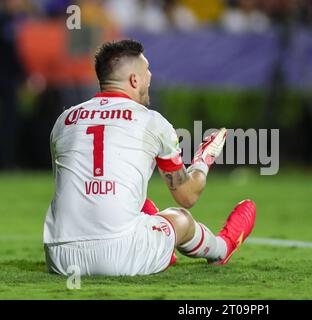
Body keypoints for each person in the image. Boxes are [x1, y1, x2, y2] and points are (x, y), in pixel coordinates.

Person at [43, 39, 256, 276]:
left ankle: (159, 245)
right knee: (181, 218)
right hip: (118, 256)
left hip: (60, 258)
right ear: (134, 80)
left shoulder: (64, 120)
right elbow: (187, 196)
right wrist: (203, 160)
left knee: (140, 204)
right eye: (147, 72)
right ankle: (221, 248)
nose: (150, 77)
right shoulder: (152, 121)